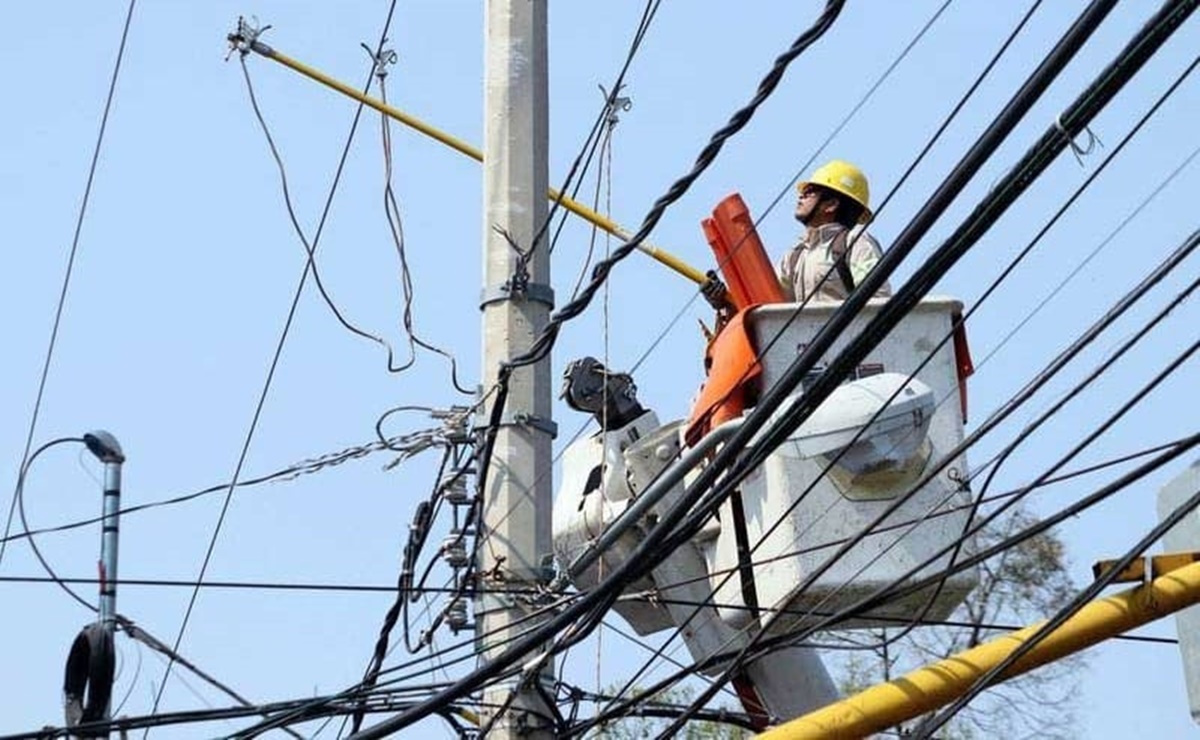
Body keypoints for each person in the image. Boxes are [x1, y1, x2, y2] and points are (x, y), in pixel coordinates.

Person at [778, 159, 891, 303]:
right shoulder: (795, 255)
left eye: (810, 192)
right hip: (820, 327)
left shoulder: (855, 242)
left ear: (831, 205)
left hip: (849, 325)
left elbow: (876, 302)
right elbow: (770, 304)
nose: (801, 196)